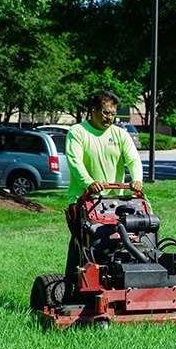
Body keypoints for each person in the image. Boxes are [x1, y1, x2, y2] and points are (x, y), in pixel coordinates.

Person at [63, 89, 145, 295]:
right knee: (84, 244)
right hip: (85, 200)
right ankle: (72, 289)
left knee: (125, 240)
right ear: (93, 111)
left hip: (114, 201)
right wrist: (89, 183)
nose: (110, 117)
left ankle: (123, 283)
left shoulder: (120, 134)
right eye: (106, 112)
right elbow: (75, 162)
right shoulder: (78, 132)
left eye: (112, 113)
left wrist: (136, 179)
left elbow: (133, 159)